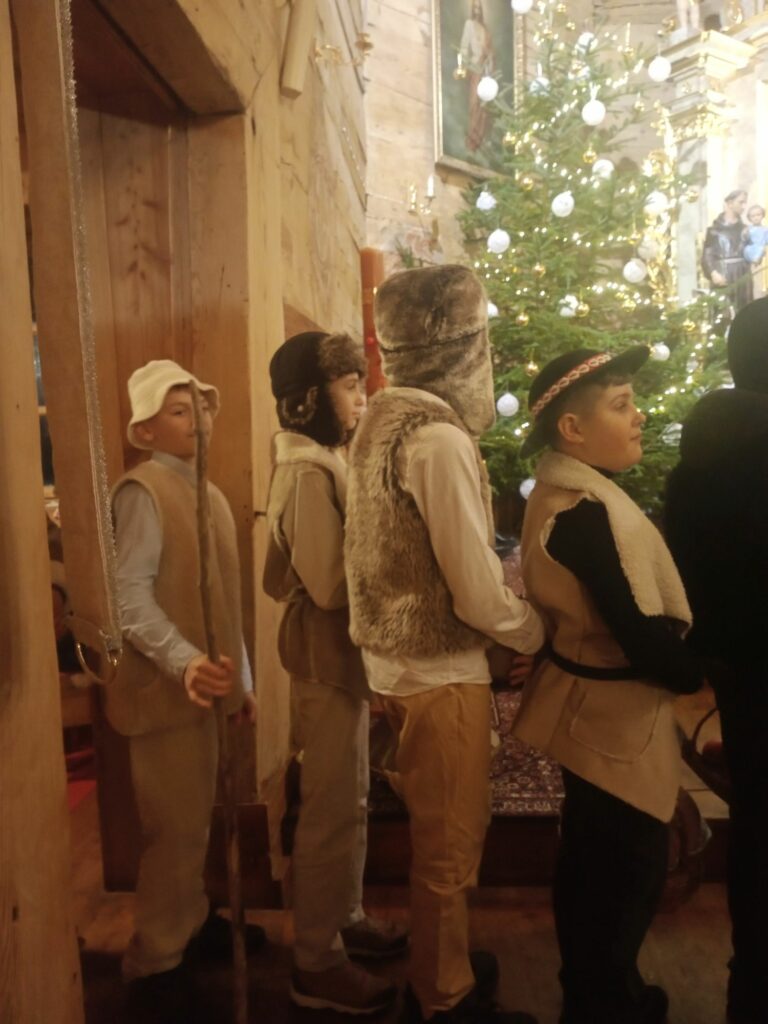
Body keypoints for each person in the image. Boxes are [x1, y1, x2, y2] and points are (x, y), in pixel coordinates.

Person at [344, 264, 545, 1024]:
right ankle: (444, 998)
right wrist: (535, 629)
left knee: (440, 835)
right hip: (438, 672)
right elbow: (475, 586)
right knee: (451, 845)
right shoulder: (436, 438)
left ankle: (442, 964)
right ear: (466, 347)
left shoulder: (382, 420)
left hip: (396, 664)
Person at [511, 348, 706, 1024]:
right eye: (621, 405)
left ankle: (596, 989)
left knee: (595, 863)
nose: (639, 415)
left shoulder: (567, 494)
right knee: (626, 873)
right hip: (610, 717)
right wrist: (698, 670)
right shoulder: (584, 514)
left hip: (591, 702)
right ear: (572, 429)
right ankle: (606, 1002)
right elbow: (636, 633)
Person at [107, 359, 263, 1015]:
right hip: (165, 698)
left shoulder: (211, 496)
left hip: (206, 694)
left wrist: (240, 681)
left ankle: (192, 923)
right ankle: (155, 961)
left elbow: (223, 603)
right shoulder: (142, 493)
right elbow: (127, 598)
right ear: (145, 430)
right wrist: (186, 662)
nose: (197, 420)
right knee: (173, 831)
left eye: (200, 407)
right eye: (178, 410)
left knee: (199, 820)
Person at [263, 331, 407, 1016]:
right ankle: (316, 960)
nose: (361, 399)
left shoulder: (320, 463)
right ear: (309, 400)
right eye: (349, 387)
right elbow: (327, 584)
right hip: (323, 659)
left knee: (349, 795)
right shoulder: (307, 473)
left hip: (337, 658)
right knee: (327, 809)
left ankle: (343, 917)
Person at [664, 295, 768, 1024]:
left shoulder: (700, 456)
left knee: (756, 817)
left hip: (738, 665)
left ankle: (751, 973)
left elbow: (686, 569)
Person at [702, 189, 753, 310]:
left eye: (745, 203)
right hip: (723, 274)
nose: (744, 206)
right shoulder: (714, 230)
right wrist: (713, 273)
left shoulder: (745, 229)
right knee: (723, 311)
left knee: (744, 311)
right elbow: (707, 256)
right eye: (741, 202)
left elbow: (751, 253)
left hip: (743, 275)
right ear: (730, 203)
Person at [460, 0, 495, 152]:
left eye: (479, 8)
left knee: (484, 106)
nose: (477, 11)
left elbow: (490, 53)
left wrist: (489, 60)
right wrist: (465, 64)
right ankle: (472, 138)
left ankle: (480, 139)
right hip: (475, 68)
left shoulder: (485, 29)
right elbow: (463, 47)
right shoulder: (469, 24)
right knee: (474, 103)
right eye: (474, 8)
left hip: (485, 70)